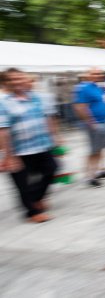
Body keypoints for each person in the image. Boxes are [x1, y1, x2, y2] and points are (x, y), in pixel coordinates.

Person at [0, 68, 59, 223]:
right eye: (12, 79)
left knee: (51, 169)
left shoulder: (36, 98)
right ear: (6, 83)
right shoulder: (3, 102)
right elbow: (3, 130)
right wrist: (9, 156)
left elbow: (46, 118)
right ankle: (32, 212)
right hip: (19, 150)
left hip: (41, 145)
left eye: (20, 78)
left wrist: (54, 138)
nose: (17, 81)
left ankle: (36, 198)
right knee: (22, 184)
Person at [74, 68, 105, 188]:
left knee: (98, 150)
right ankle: (89, 176)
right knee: (93, 151)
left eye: (99, 73)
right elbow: (80, 107)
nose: (97, 75)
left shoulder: (98, 87)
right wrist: (91, 123)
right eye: (94, 73)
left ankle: (95, 172)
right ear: (88, 75)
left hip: (104, 122)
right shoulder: (84, 88)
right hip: (95, 124)